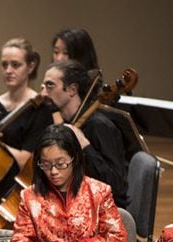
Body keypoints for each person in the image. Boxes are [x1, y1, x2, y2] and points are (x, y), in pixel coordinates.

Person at [40, 60, 129, 208]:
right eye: (43, 86)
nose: (43, 93)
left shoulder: (99, 126)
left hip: (102, 210)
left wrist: (86, 148)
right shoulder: (65, 124)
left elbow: (118, 186)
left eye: (50, 86)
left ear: (72, 90)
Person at [0, 37, 54, 194]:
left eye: (15, 65)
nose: (8, 70)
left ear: (30, 67)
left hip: (18, 191)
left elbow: (27, 162)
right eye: (4, 65)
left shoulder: (40, 110)